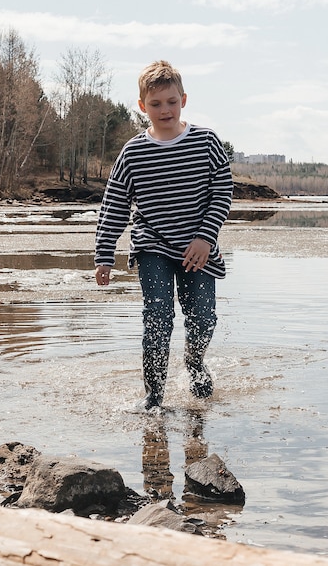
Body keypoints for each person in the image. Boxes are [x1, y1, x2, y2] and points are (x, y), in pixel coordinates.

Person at [95, 60, 233, 410]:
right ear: (142, 106)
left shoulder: (206, 142)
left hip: (197, 247)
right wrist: (104, 255)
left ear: (183, 99)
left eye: (171, 101)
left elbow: (222, 192)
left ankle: (195, 362)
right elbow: (114, 206)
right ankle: (153, 397)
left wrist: (206, 237)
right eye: (155, 104)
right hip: (152, 245)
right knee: (157, 316)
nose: (164, 110)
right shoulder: (132, 153)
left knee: (202, 317)